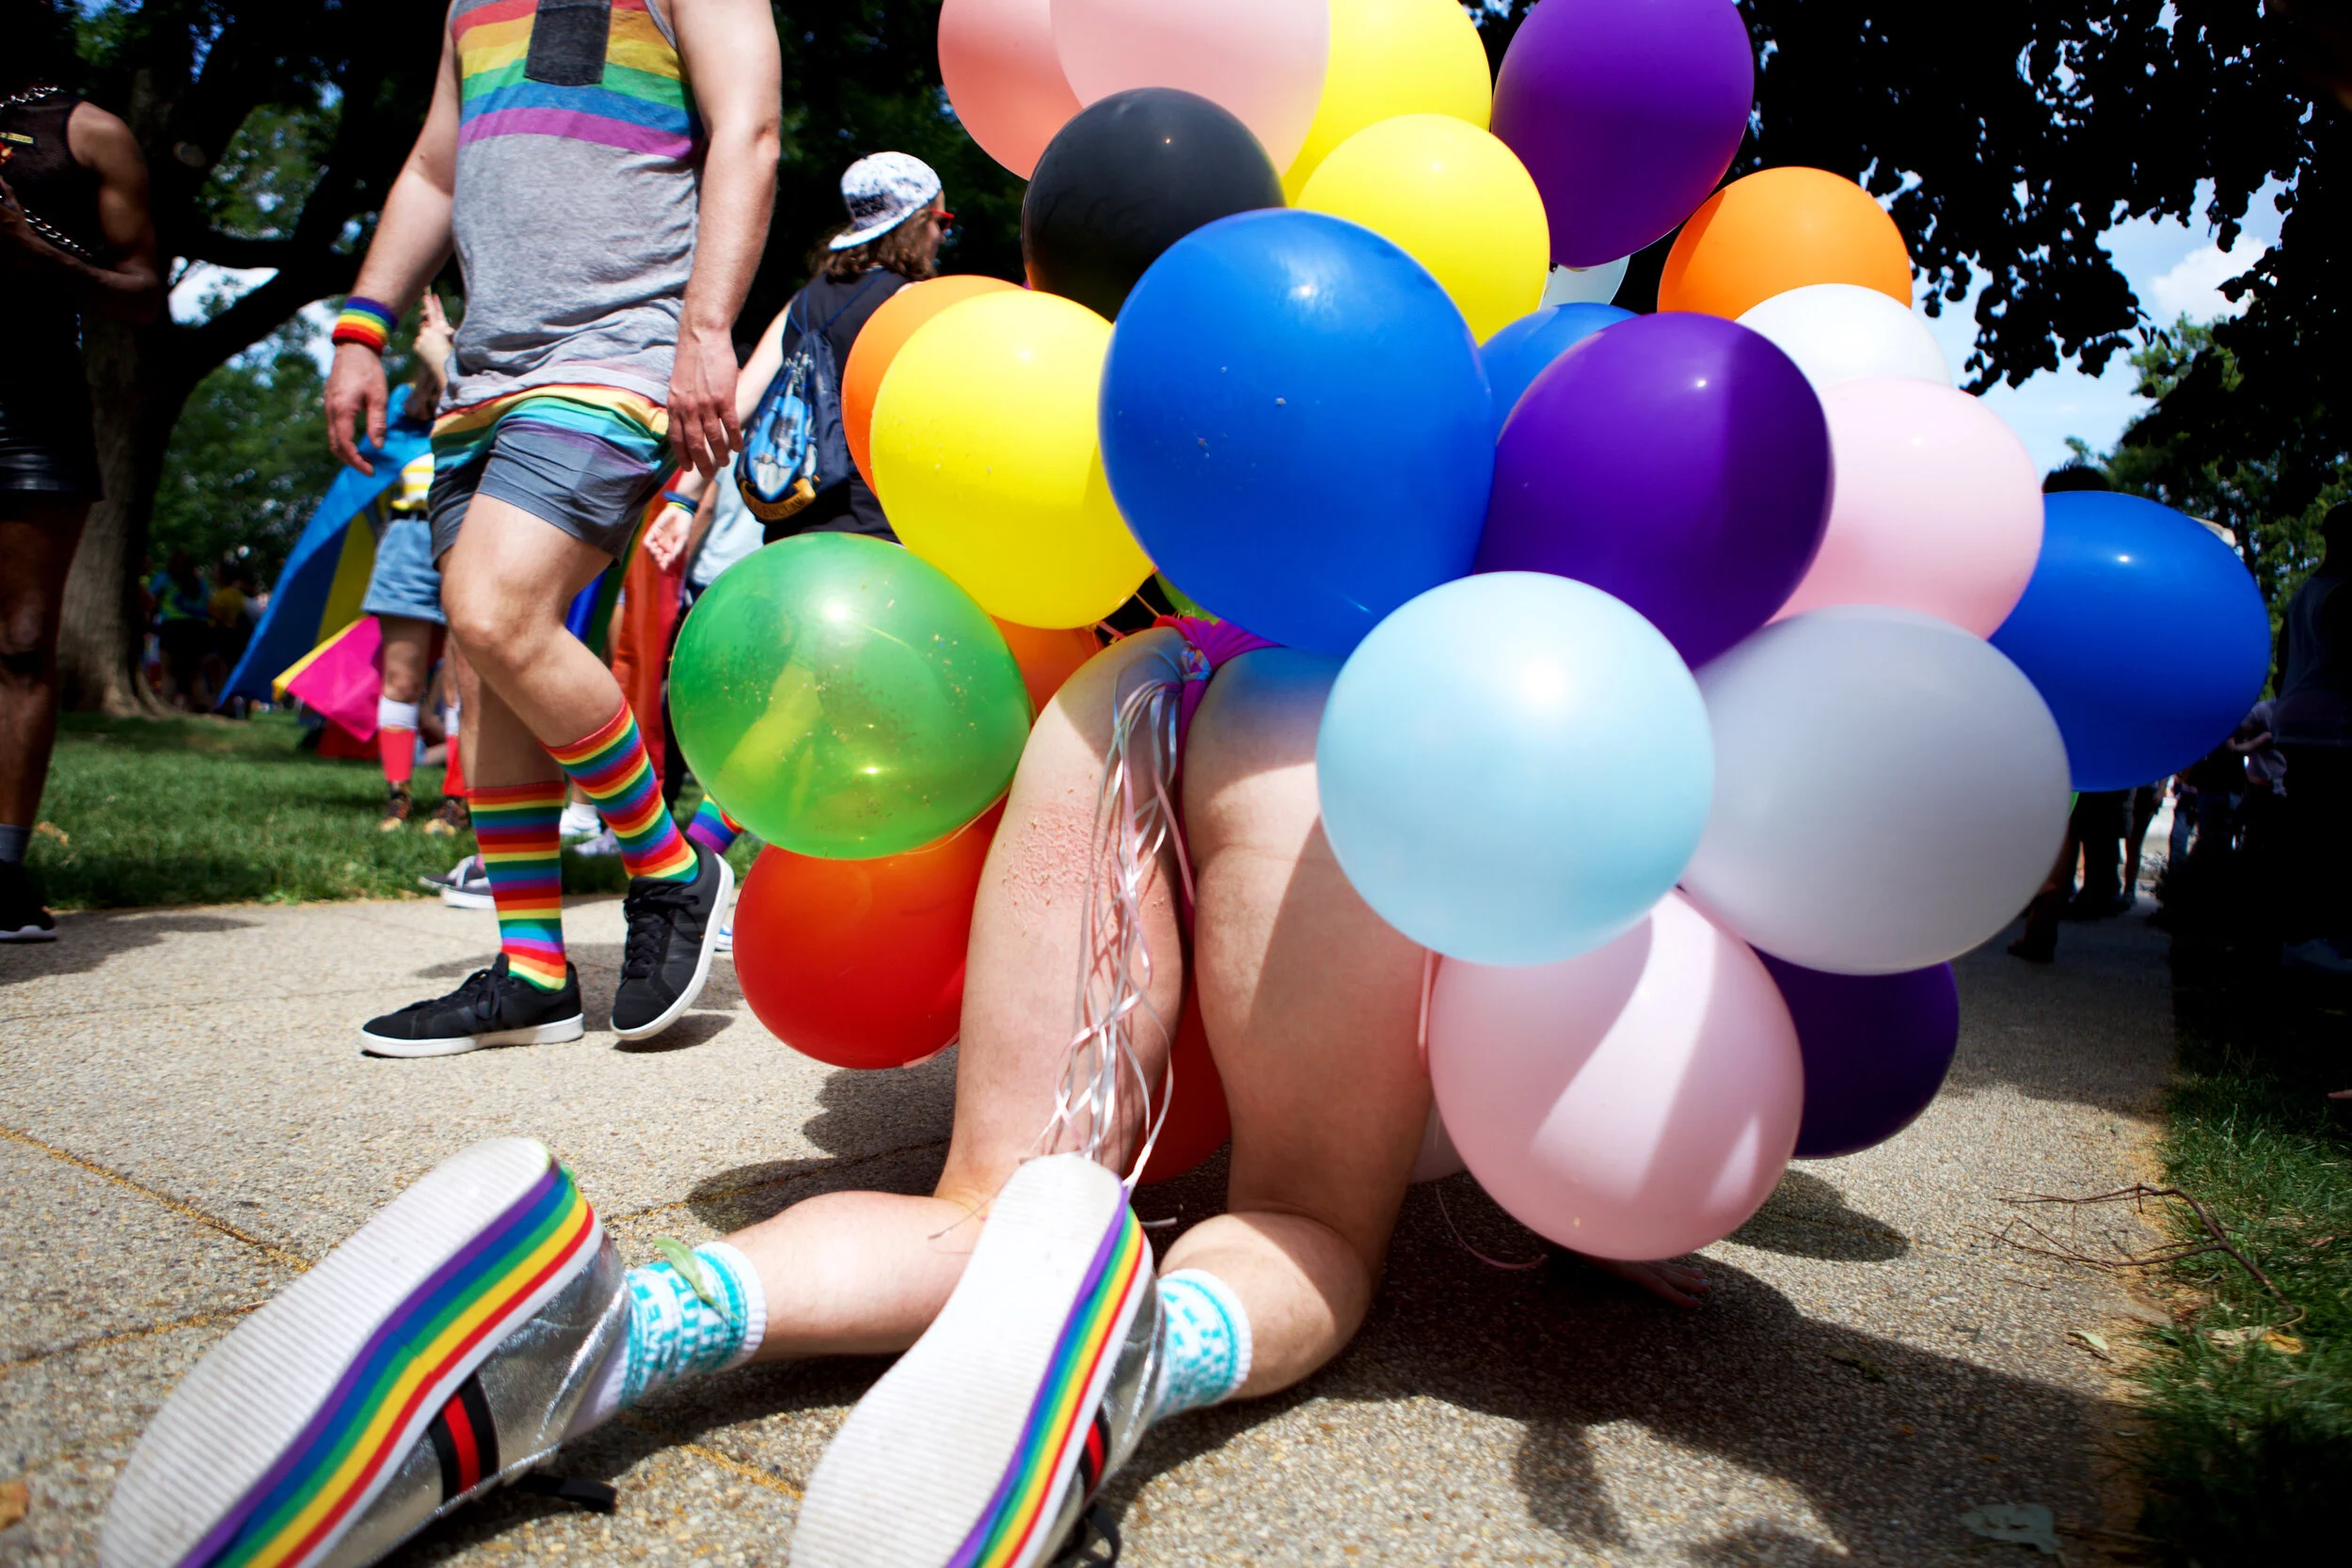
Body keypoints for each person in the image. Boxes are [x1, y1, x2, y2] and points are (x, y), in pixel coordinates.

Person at [107, 625, 1709, 1568]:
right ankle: (1124, 1359)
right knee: (1303, 1221)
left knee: (986, 1199)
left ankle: (600, 1324)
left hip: (1128, 687)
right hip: (1363, 713)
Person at [319, 0, 781, 1054]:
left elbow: (748, 129)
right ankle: (531, 968)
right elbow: (434, 173)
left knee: (495, 605)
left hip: (620, 348)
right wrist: (362, 326)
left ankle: (669, 868)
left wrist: (707, 326)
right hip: (484, 376)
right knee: (489, 661)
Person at [0, 8, 161, 942]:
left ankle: (6, 867)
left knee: (23, 639)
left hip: (31, 406)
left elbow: (145, 292)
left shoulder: (88, 131)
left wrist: (28, 248)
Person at [650, 150, 951, 562]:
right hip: (876, 530)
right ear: (916, 223)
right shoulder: (916, 303)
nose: (944, 236)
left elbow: (735, 406)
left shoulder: (803, 303)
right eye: (941, 221)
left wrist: (683, 504)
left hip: (790, 527)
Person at [358, 293, 469, 833]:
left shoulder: (478, 393)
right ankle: (397, 797)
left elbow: (480, 423)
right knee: (400, 680)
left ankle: (456, 801)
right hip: (407, 543)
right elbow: (367, 459)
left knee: (460, 685)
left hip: (467, 541)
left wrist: (448, 360)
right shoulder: (403, 408)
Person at [2273, 502, 2351, 974]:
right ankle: (2317, 939)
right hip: (2334, 730)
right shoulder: (2345, 595)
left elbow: (2284, 669)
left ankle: (2303, 936)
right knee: (2331, 835)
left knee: (2308, 830)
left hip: (2297, 722)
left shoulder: (2305, 593)